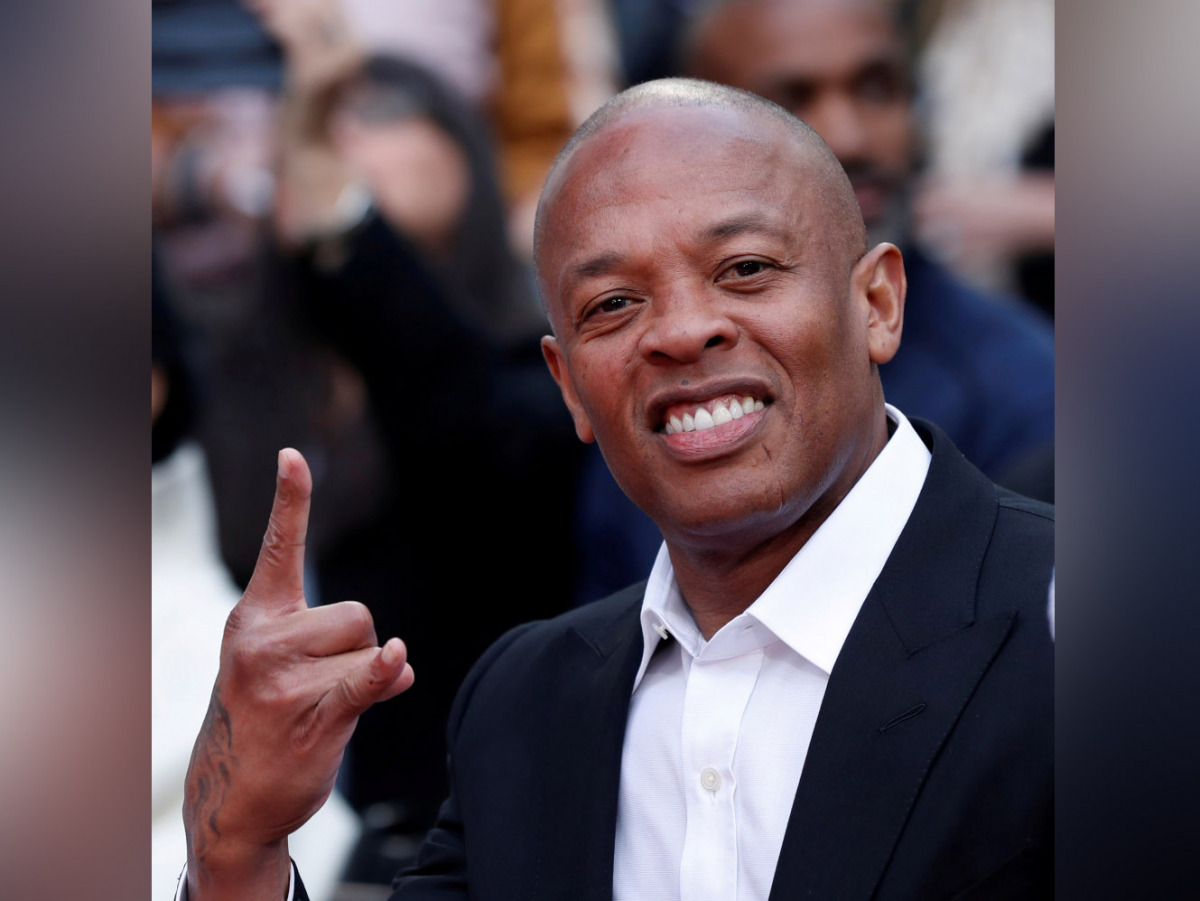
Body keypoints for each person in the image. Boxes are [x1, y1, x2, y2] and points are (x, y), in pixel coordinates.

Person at [177, 78, 1053, 899]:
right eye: (613, 305)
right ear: (569, 386)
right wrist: (237, 851)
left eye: (744, 268)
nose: (680, 331)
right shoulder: (524, 707)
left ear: (878, 303)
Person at [570, 0, 1057, 602]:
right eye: (790, 102)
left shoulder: (1026, 389)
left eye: (878, 89)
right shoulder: (643, 384)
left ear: (881, 302)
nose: (850, 136)